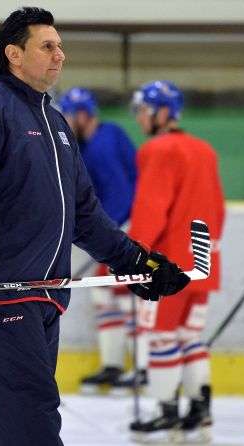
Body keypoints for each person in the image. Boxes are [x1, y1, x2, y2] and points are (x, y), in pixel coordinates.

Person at [0, 7, 189, 445]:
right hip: (0, 294)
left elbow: (84, 214)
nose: (60, 55)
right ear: (14, 53)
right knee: (33, 417)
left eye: (60, 46)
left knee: (10, 424)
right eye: (47, 46)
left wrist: (138, 261)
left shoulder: (57, 124)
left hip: (47, 297)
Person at [127, 80, 225, 443]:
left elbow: (151, 212)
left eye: (143, 111)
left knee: (161, 338)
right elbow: (218, 209)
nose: (139, 118)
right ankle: (200, 411)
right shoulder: (205, 150)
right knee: (191, 337)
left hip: (169, 268)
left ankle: (166, 411)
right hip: (205, 263)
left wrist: (132, 257)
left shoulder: (158, 150)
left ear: (162, 113)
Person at [56, 87, 145, 394]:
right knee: (104, 297)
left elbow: (122, 195)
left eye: (67, 116)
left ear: (81, 114)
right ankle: (114, 364)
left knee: (124, 295)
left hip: (126, 224)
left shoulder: (105, 143)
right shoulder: (88, 143)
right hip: (113, 226)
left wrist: (108, 237)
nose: (65, 122)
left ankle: (143, 368)